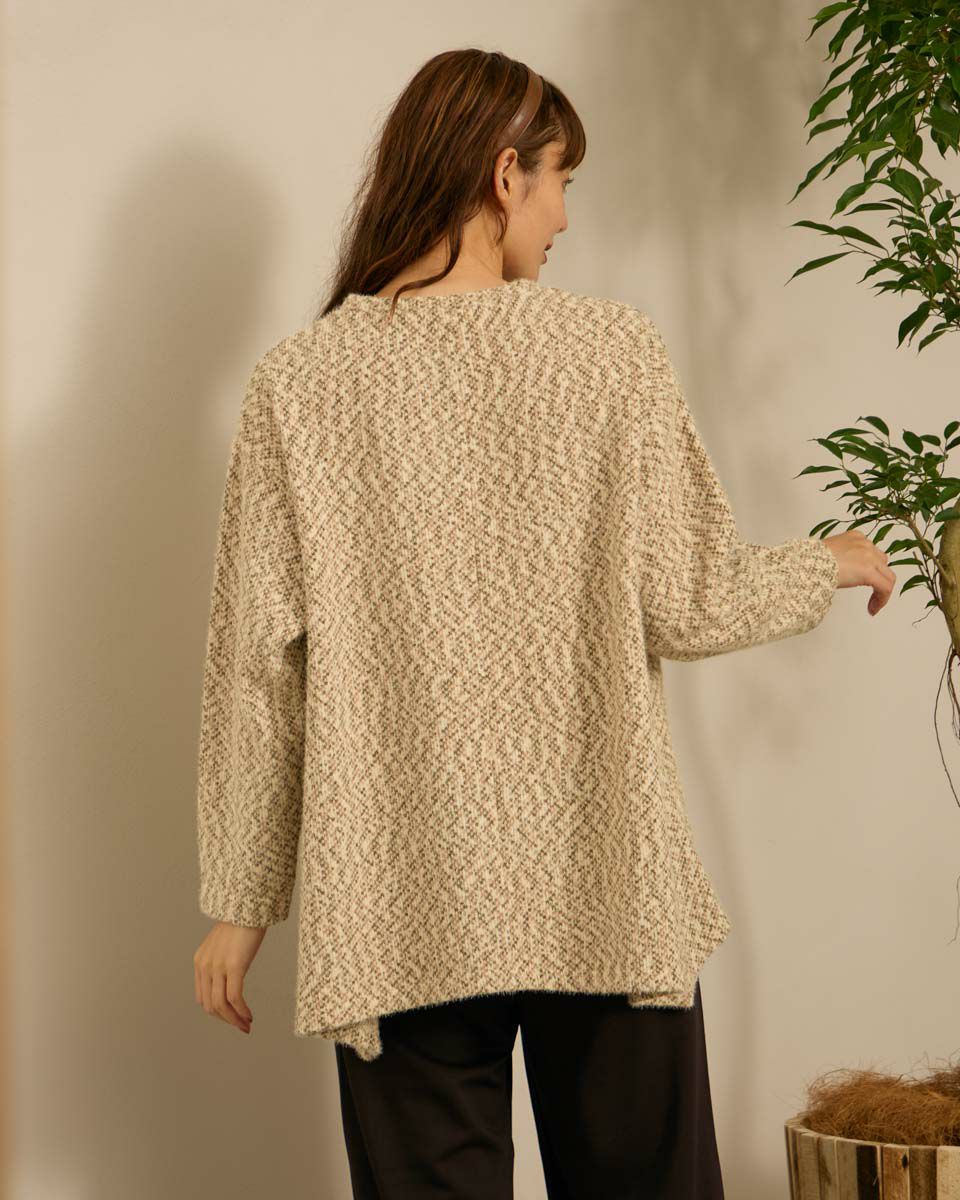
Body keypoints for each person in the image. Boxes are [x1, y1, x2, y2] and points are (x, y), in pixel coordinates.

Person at [191, 48, 895, 1199]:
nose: (566, 214)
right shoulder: (610, 351)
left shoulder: (300, 386)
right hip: (604, 884)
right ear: (504, 174)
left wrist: (241, 901)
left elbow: (257, 673)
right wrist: (822, 563)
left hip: (402, 899)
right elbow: (692, 597)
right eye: (562, 179)